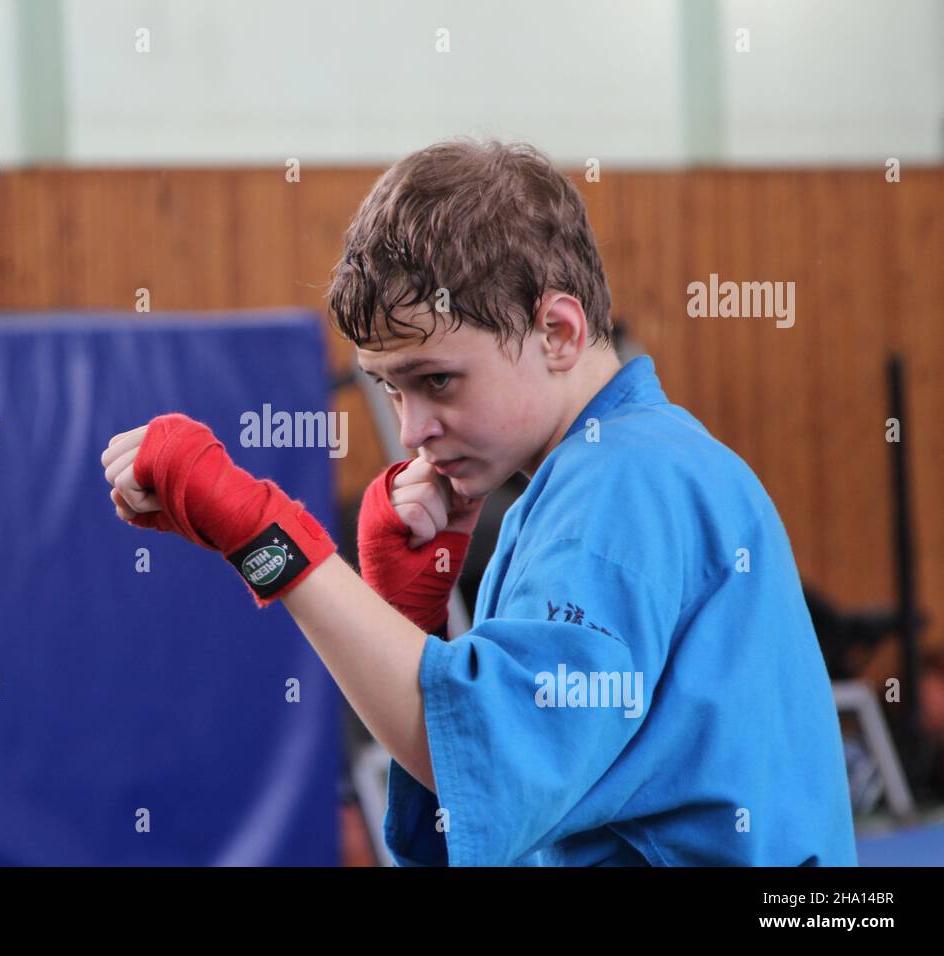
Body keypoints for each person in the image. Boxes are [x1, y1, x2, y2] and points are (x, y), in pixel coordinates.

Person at [101, 138, 857, 866]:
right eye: (390, 388)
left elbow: (489, 754)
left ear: (558, 332)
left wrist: (267, 538)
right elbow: (488, 802)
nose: (411, 431)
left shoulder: (618, 487)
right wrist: (407, 618)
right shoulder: (620, 468)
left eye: (437, 381)